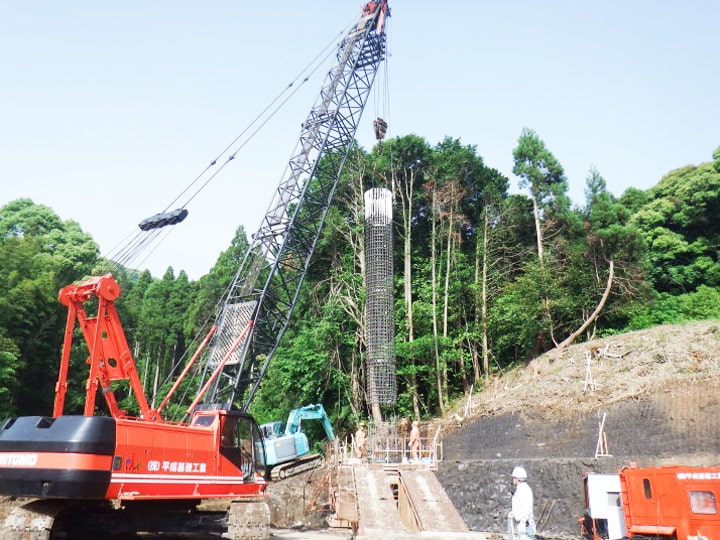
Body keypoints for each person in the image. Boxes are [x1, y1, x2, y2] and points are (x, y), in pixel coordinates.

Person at [508, 466, 535, 540]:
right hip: (523, 524)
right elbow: (519, 506)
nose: (513, 480)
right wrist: (514, 513)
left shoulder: (524, 490)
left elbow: (526, 507)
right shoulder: (521, 489)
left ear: (517, 479)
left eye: (514, 478)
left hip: (526, 525)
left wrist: (523, 521)